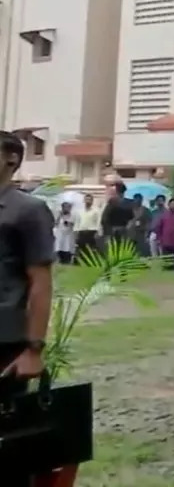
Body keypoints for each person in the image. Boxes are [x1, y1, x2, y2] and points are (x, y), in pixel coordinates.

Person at [0, 131, 55, 400]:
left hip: (5, 340)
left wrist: (34, 349)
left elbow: (41, 282)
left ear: (11, 159)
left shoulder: (28, 211)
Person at [151, 198, 174, 268]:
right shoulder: (164, 215)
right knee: (166, 260)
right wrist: (159, 238)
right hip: (165, 241)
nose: (173, 205)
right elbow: (159, 227)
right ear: (169, 205)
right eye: (172, 204)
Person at [73, 193, 102, 258]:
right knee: (81, 248)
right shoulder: (80, 211)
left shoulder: (96, 211)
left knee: (91, 249)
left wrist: (98, 232)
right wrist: (75, 231)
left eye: (89, 200)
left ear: (92, 201)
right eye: (86, 199)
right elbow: (77, 221)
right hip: (82, 231)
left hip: (91, 231)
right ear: (84, 200)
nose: (88, 201)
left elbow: (98, 222)